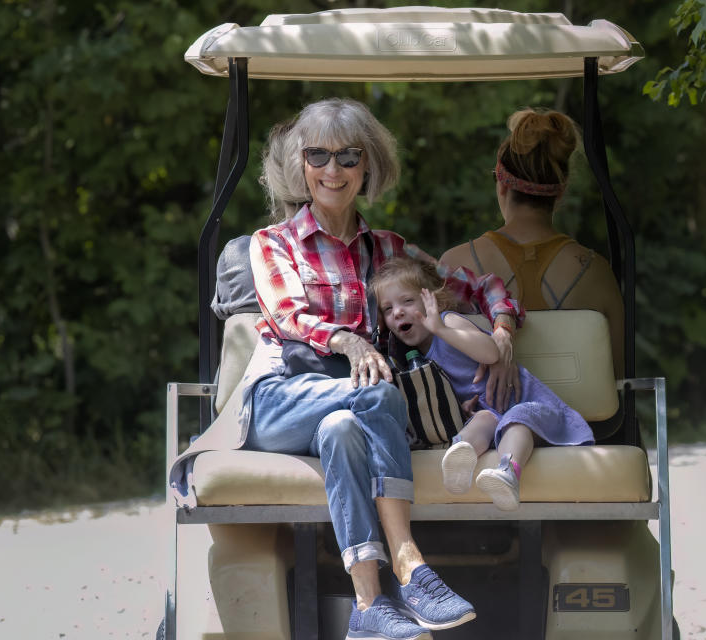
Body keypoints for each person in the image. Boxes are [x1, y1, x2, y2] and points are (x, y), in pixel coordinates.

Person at [245, 98, 524, 640]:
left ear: (367, 166)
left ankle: (369, 605)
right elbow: (287, 316)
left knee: (345, 427)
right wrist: (349, 341)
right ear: (299, 165)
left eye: (348, 156)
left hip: (348, 405)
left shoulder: (390, 250)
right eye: (318, 155)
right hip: (280, 399)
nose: (332, 169)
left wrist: (504, 333)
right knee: (378, 394)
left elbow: (483, 286)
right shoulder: (272, 244)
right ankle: (410, 564)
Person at [370, 257, 594, 511]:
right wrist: (462, 407)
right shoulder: (415, 361)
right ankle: (459, 456)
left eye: (407, 301)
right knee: (484, 418)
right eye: (388, 309)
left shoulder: (449, 322)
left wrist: (441, 330)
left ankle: (508, 473)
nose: (397, 311)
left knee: (516, 418)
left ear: (434, 301)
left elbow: (490, 354)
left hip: (531, 409)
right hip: (494, 417)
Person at [440, 107, 624, 379]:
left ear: (502, 185)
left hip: (486, 420)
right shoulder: (597, 272)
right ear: (560, 192)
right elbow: (620, 377)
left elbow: (441, 369)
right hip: (586, 421)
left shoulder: (455, 264)